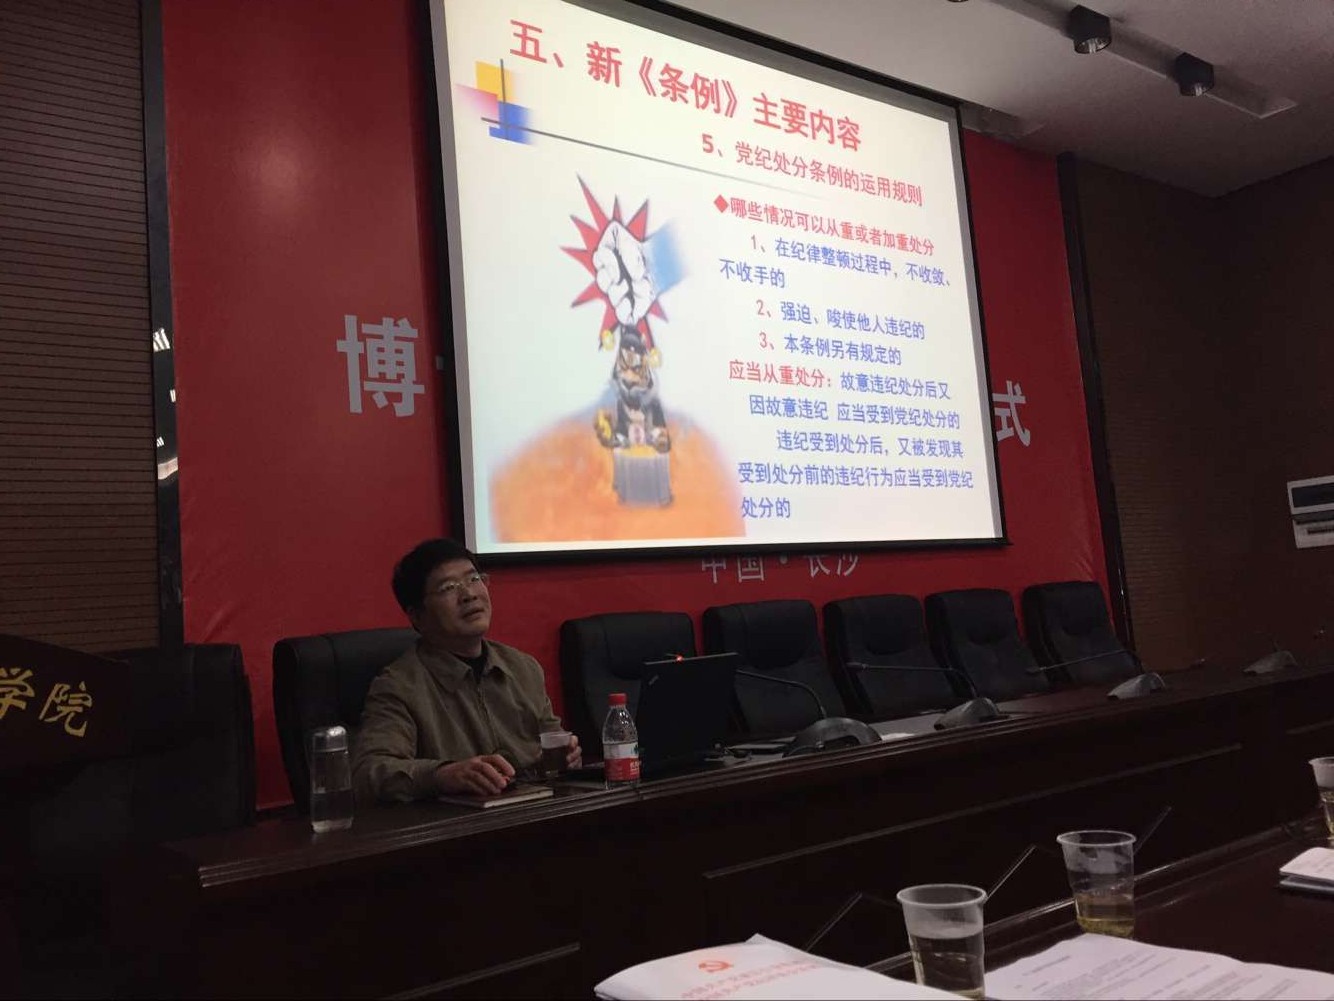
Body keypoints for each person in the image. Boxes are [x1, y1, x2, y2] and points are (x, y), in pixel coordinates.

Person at [352, 538, 581, 803]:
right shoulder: (399, 687)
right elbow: (367, 773)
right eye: (448, 587)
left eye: (474, 579)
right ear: (416, 615)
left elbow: (551, 746)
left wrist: (564, 757)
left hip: (534, 813)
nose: (469, 594)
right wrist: (441, 775)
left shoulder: (523, 668)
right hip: (460, 824)